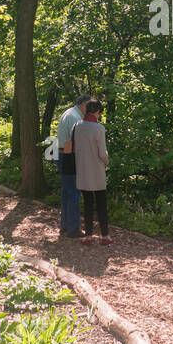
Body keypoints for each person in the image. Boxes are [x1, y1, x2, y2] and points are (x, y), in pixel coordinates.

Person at [71, 99, 110, 245]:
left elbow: (75, 148)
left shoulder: (77, 126)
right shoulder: (98, 128)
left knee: (87, 204)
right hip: (97, 170)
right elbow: (102, 153)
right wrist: (107, 162)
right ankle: (105, 236)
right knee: (101, 204)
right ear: (97, 112)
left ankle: (88, 236)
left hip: (83, 170)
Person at [55, 94, 91, 238]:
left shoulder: (70, 113)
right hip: (69, 156)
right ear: (82, 104)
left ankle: (65, 225)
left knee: (67, 192)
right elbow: (78, 143)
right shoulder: (75, 118)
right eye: (89, 106)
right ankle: (73, 228)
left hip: (63, 154)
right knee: (73, 192)